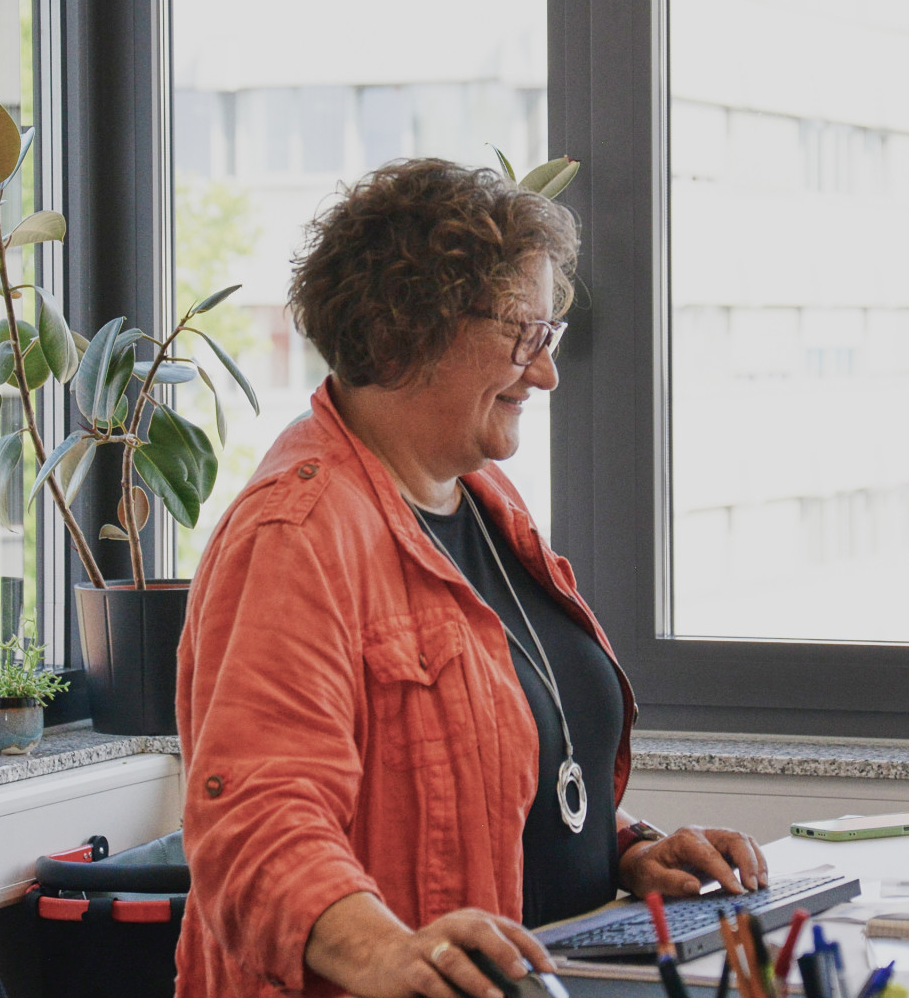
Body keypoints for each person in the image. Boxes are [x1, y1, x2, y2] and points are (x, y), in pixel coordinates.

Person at [174, 158, 768, 998]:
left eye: (549, 336)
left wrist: (627, 850)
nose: (546, 372)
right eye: (525, 336)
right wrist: (384, 952)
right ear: (409, 330)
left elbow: (496, 769)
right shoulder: (295, 535)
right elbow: (255, 822)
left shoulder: (484, 501)